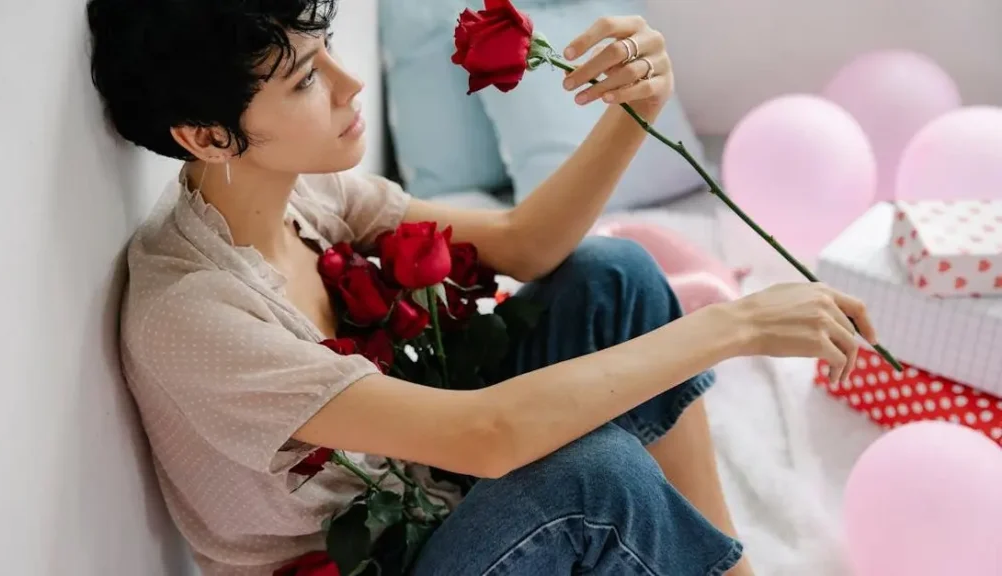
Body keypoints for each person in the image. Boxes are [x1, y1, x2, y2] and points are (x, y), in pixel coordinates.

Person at [87, 1, 876, 574]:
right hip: (366, 564)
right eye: (304, 80)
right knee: (593, 477)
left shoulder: (300, 197)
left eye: (324, 47)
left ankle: (721, 563)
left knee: (616, 278)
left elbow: (526, 245)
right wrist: (735, 326)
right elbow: (484, 436)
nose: (351, 82)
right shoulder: (191, 313)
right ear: (207, 136)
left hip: (431, 506)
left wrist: (637, 112)